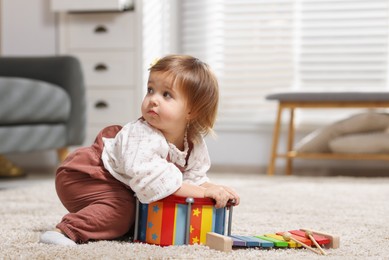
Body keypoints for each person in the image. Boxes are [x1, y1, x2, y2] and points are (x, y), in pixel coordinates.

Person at [40, 54, 240, 246]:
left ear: (192, 111)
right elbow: (155, 181)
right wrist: (203, 193)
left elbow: (194, 177)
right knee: (124, 211)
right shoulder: (142, 134)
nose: (153, 99)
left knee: (145, 212)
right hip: (86, 175)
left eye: (166, 94)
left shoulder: (193, 141)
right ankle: (66, 231)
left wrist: (213, 189)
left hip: (119, 181)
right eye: (150, 90)